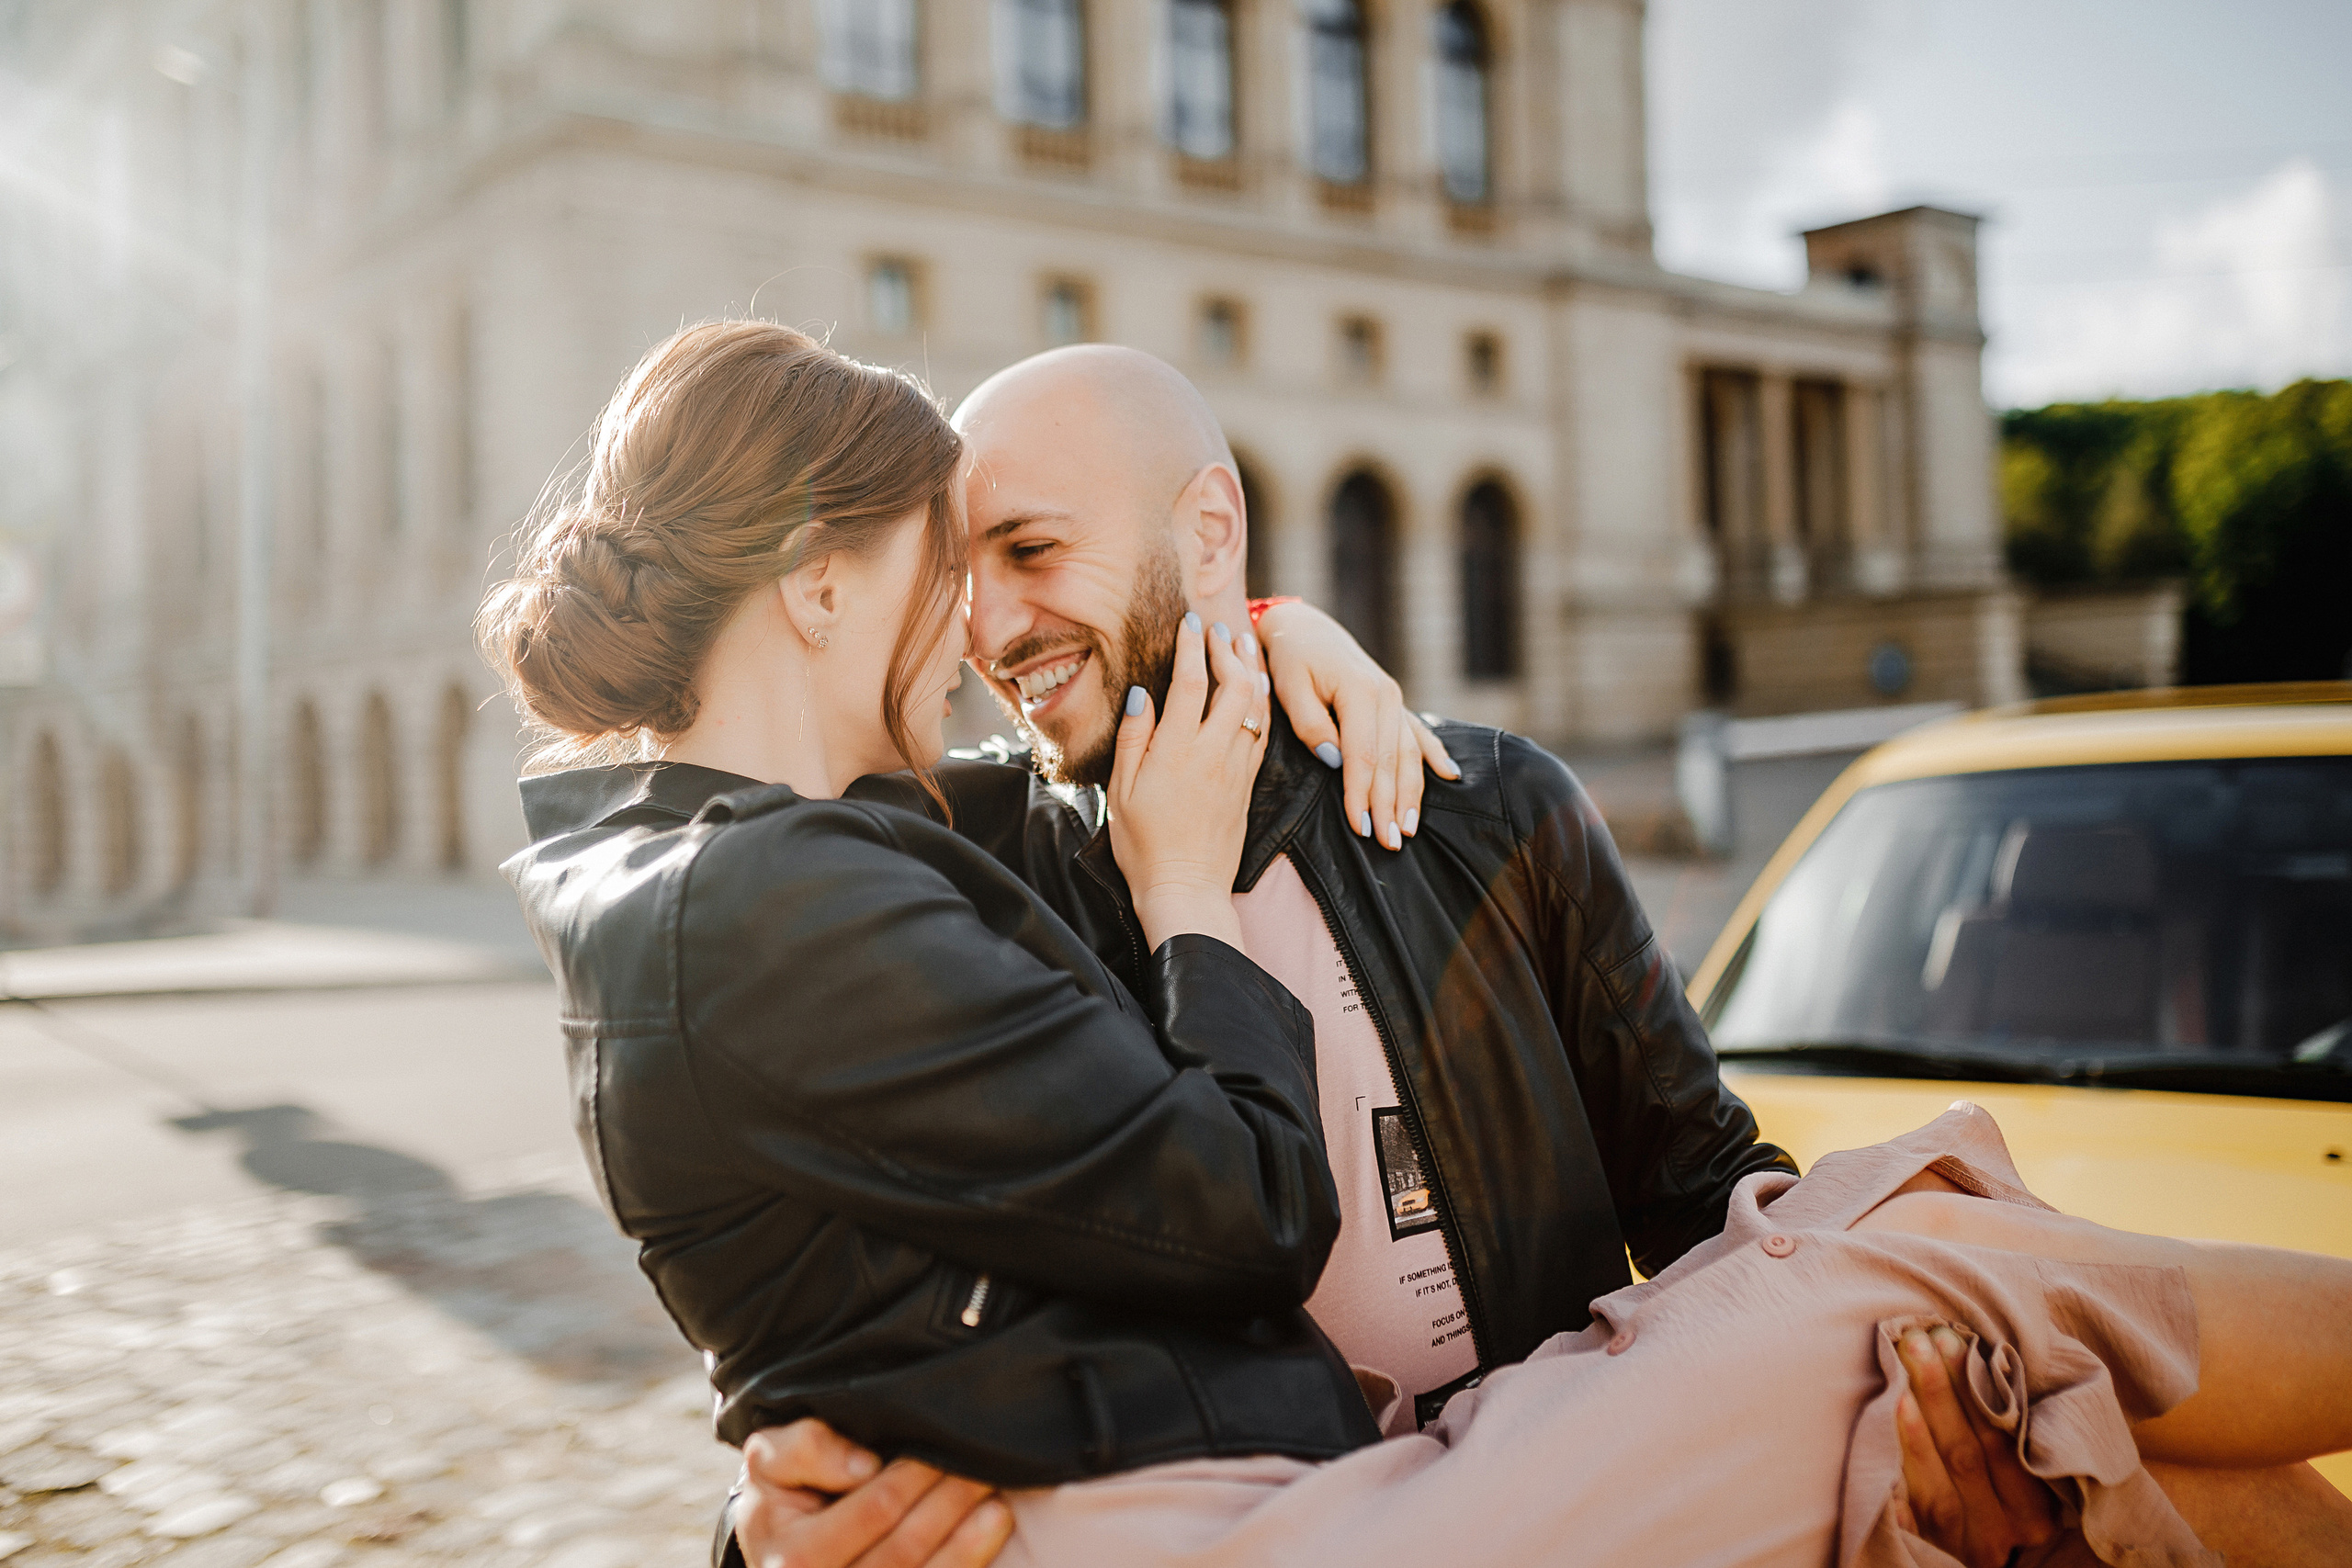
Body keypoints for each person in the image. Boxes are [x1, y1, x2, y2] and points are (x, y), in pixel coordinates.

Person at [485, 322, 2352, 1568]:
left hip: (1581, 1464)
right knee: (1930, 1262)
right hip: (1345, 1513)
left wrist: (1925, 1424)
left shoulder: (1487, 806)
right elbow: (820, 1257)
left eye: (1031, 552)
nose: (981, 622)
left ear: (1204, 533)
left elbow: (1704, 1179)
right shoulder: (964, 859)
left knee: (2005, 1364)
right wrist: (772, 1521)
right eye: (954, 568)